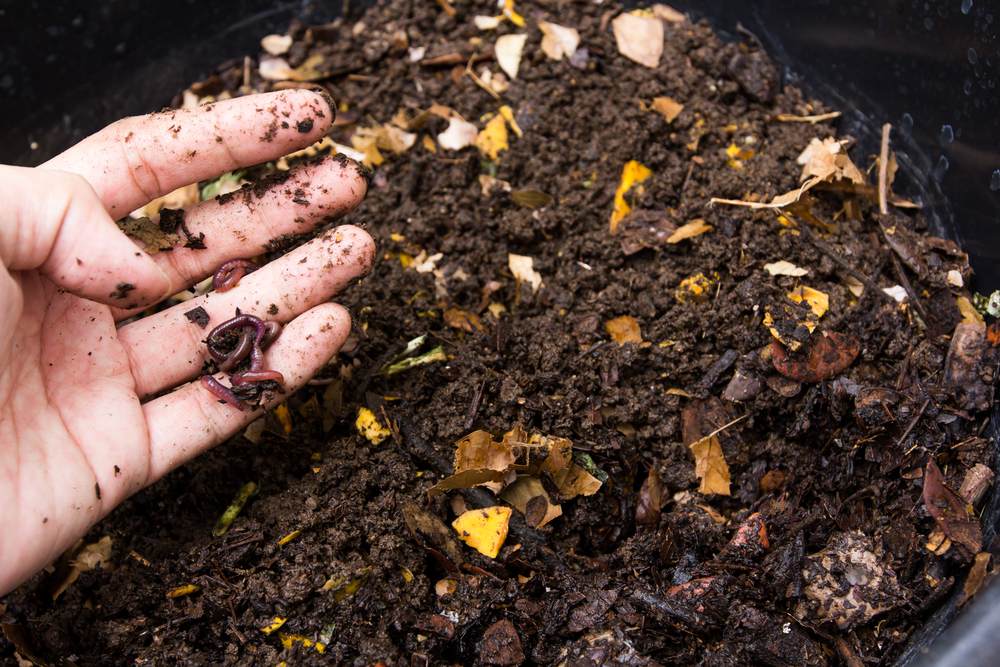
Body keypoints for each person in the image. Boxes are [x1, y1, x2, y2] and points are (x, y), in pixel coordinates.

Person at [0, 90, 375, 596]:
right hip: (234, 344)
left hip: (234, 343)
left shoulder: (240, 343)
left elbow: (244, 339)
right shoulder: (238, 346)